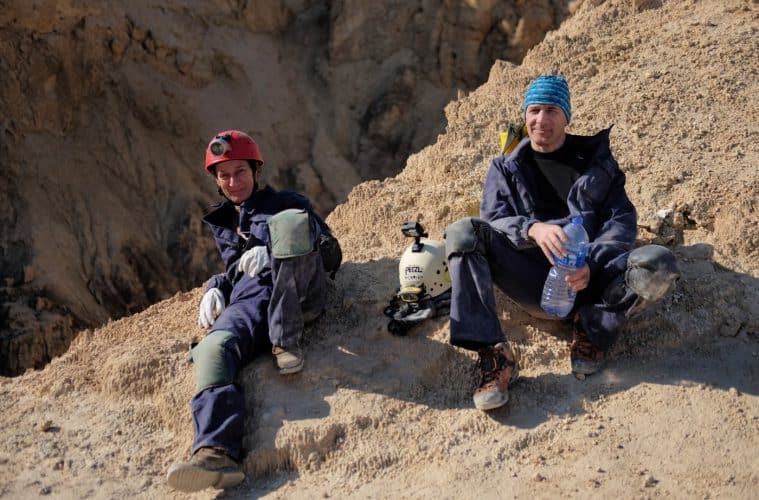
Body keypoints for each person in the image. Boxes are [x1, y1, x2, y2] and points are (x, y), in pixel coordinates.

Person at [444, 75, 680, 411]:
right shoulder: (506, 168)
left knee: (659, 264)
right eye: (534, 110)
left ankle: (593, 327)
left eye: (551, 111)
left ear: (566, 116)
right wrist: (532, 229)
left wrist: (591, 263)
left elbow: (620, 223)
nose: (541, 120)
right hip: (533, 280)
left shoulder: (598, 166)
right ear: (525, 115)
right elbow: (494, 219)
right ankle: (494, 354)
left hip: (591, 279)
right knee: (462, 233)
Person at [167, 130, 342, 492]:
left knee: (290, 225)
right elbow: (236, 271)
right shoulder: (225, 222)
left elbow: (330, 253)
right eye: (224, 175)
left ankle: (285, 338)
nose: (234, 182)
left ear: (256, 170)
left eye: (240, 172)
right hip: (250, 303)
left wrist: (278, 248)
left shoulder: (287, 203)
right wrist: (216, 286)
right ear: (216, 180)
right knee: (212, 350)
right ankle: (216, 453)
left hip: (296, 291)